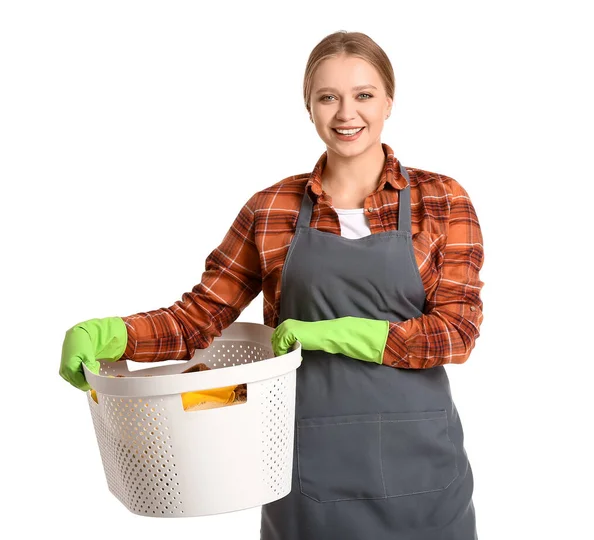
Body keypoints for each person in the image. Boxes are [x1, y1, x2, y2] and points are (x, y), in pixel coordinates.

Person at [60, 30, 484, 539]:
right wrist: (112, 335)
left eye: (363, 95)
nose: (347, 114)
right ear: (308, 106)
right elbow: (197, 320)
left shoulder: (442, 200)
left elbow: (455, 333)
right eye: (328, 97)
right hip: (306, 471)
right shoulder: (271, 210)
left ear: (389, 101)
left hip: (423, 472)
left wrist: (336, 333)